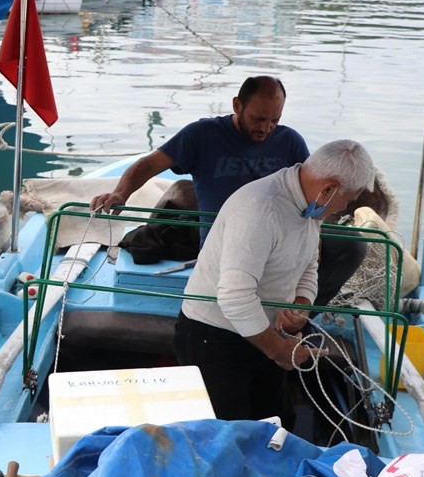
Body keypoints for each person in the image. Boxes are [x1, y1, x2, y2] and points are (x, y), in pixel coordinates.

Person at [90, 75, 363, 308]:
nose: (266, 128)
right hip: (226, 245)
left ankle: (302, 315)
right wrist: (120, 194)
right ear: (237, 105)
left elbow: (311, 191)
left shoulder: (289, 141)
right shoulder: (203, 135)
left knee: (351, 245)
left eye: (274, 120)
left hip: (280, 242)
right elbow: (150, 164)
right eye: (258, 119)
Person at [173, 139, 375, 423]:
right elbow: (234, 297)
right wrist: (280, 351)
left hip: (260, 332)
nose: (344, 208)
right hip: (215, 336)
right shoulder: (260, 209)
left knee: (277, 424)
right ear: (329, 189)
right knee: (231, 434)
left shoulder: (311, 205)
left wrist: (300, 306)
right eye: (349, 199)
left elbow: (308, 266)